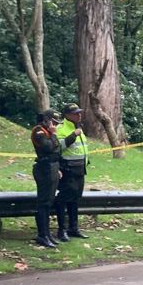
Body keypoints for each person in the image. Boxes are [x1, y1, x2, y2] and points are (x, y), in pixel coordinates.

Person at [54, 103, 90, 241]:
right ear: (68, 115)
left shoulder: (78, 128)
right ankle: (61, 230)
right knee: (63, 199)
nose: (79, 115)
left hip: (80, 170)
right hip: (68, 170)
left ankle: (73, 228)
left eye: (79, 112)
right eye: (76, 113)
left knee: (75, 200)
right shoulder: (61, 128)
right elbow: (58, 147)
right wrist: (72, 135)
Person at [31, 109, 62, 248]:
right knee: (43, 203)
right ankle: (42, 234)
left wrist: (58, 168)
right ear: (47, 120)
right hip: (44, 169)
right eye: (54, 122)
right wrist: (54, 135)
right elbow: (49, 147)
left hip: (53, 167)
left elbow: (57, 150)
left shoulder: (48, 132)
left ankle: (47, 233)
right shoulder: (39, 132)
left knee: (49, 202)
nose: (55, 125)